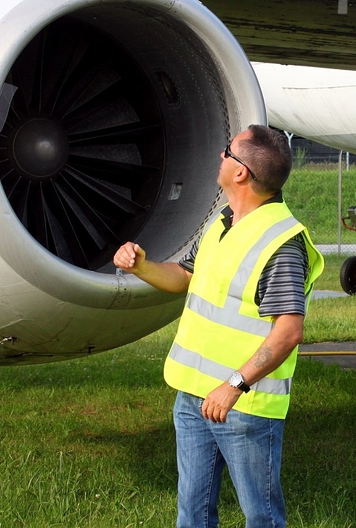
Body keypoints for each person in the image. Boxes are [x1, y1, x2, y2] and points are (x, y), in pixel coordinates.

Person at [113, 124, 324, 528]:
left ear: (241, 171)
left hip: (244, 405)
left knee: (261, 518)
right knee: (192, 514)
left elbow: (289, 331)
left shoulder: (282, 242)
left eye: (227, 151)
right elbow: (184, 276)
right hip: (193, 396)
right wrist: (140, 266)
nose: (220, 156)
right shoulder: (222, 221)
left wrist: (233, 386)